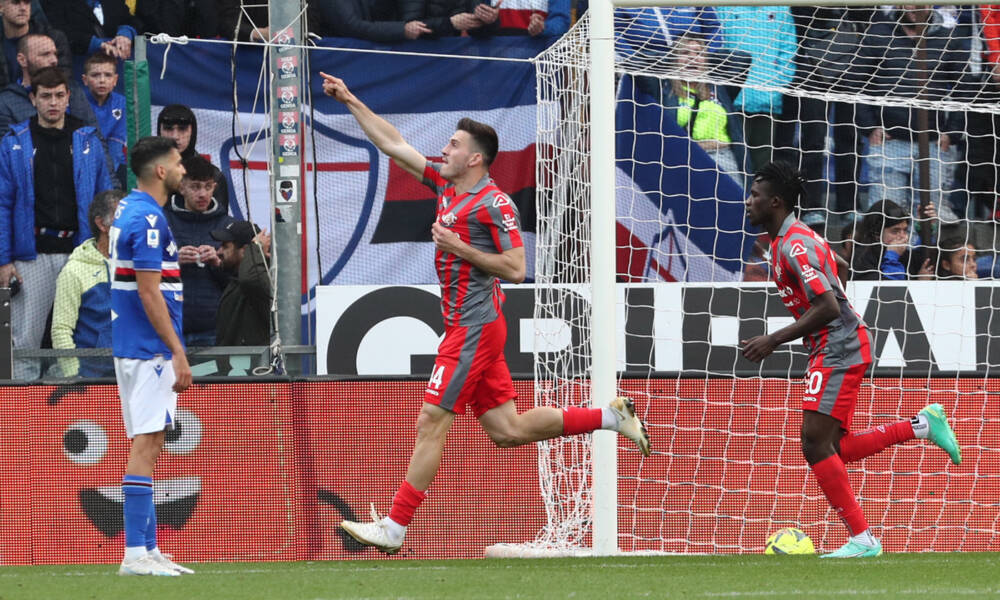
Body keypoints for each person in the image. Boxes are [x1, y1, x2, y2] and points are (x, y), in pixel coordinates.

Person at [321, 72, 651, 554]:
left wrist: (459, 247)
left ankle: (394, 527)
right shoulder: (447, 187)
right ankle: (609, 416)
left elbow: (517, 268)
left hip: (473, 327)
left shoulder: (494, 204)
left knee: (431, 420)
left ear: (474, 158)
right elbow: (394, 144)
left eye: (453, 145)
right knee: (507, 430)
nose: (444, 150)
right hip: (473, 325)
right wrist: (351, 98)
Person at [741, 161, 961, 558]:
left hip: (838, 345)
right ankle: (922, 425)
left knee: (814, 442)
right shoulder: (790, 239)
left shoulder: (793, 245)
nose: (748, 202)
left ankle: (863, 539)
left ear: (775, 202)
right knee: (831, 448)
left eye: (755, 195)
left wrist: (773, 339)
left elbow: (827, 305)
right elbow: (839, 267)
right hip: (833, 344)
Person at [110, 136, 193, 576]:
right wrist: (177, 351)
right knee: (146, 443)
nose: (183, 169)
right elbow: (148, 291)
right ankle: (134, 554)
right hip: (150, 350)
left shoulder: (128, 208)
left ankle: (150, 547)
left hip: (135, 344)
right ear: (160, 171)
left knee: (152, 440)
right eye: (178, 163)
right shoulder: (148, 219)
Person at [0, 65, 113, 380]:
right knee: (25, 340)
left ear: (68, 97)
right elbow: (2, 203)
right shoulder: (14, 141)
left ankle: (75, 400)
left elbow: (105, 198)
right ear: (33, 99)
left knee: (80, 334)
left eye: (59, 95)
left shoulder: (87, 139)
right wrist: (4, 260)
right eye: (46, 95)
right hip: (31, 254)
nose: (53, 102)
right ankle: (23, 409)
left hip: (81, 253)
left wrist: (105, 250)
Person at [50, 189, 124, 378]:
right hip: (92, 378)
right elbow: (61, 330)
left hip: (135, 376)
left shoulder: (141, 265)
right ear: (101, 224)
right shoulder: (74, 270)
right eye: (122, 217)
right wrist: (75, 377)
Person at [164, 155, 234, 347]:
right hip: (169, 327)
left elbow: (239, 284)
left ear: (215, 187)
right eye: (195, 187)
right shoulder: (162, 221)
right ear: (181, 187)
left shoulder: (228, 226)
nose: (202, 194)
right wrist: (172, 261)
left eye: (208, 187)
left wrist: (218, 264)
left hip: (213, 330)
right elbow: (143, 273)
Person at [0, 34, 96, 135]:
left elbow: (95, 136)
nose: (54, 61)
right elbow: (5, 143)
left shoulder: (74, 91)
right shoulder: (6, 102)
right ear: (22, 60)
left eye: (55, 54)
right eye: (45, 55)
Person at [211, 220, 272, 346]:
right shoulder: (236, 277)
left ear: (244, 251)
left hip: (253, 358)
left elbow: (250, 280)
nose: (218, 251)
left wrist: (255, 247)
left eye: (225, 247)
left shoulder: (259, 279)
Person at [156, 104, 229, 204]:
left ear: (192, 132)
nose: (175, 136)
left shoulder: (212, 176)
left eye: (182, 129)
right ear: (159, 131)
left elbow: (219, 214)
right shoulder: (148, 171)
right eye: (168, 128)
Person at [850, 199, 934, 281]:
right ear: (877, 234)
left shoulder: (902, 254)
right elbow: (887, 288)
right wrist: (892, 257)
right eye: (895, 231)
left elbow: (923, 260)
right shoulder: (862, 257)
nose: (903, 236)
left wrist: (925, 228)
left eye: (905, 230)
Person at [0, 0, 72, 87]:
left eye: (27, 2)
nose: (23, 8)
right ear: (1, 7)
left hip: (46, 92)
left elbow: (63, 78)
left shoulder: (54, 38)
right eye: (15, 3)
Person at [81, 50, 126, 179]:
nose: (102, 80)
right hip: (85, 164)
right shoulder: (77, 103)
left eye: (108, 75)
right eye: (95, 75)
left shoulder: (122, 104)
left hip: (114, 168)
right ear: (85, 80)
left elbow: (116, 146)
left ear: (115, 80)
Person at [40, 0, 138, 58]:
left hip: (118, 68)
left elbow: (130, 20)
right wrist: (95, 44)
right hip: (79, 67)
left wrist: (125, 34)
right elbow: (59, 31)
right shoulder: (55, 2)